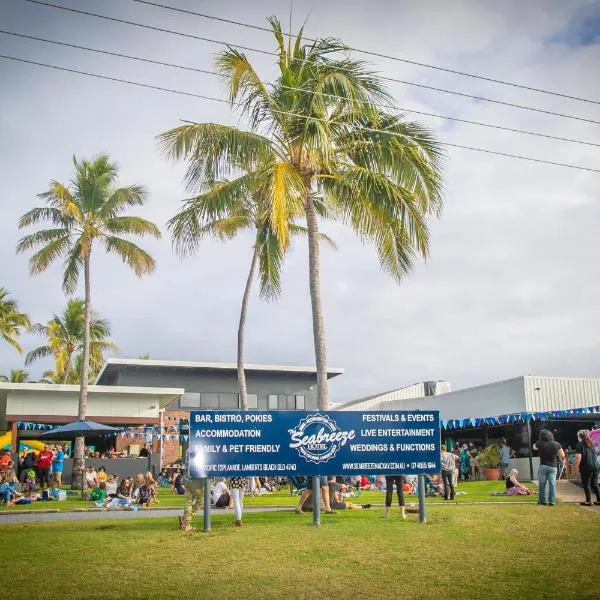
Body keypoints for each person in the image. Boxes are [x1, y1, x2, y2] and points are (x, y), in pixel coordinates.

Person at [533, 429, 565, 506]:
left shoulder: (539, 443)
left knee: (542, 484)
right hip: (553, 467)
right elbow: (562, 455)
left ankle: (542, 500)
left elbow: (534, 447)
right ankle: (552, 501)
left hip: (543, 466)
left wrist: (537, 444)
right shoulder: (557, 444)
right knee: (552, 484)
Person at [573, 430, 600, 506]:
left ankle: (588, 501)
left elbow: (578, 457)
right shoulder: (591, 443)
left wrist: (576, 468)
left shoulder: (580, 444)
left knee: (586, 484)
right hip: (596, 467)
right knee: (594, 484)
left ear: (579, 436)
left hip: (586, 467)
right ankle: (599, 500)